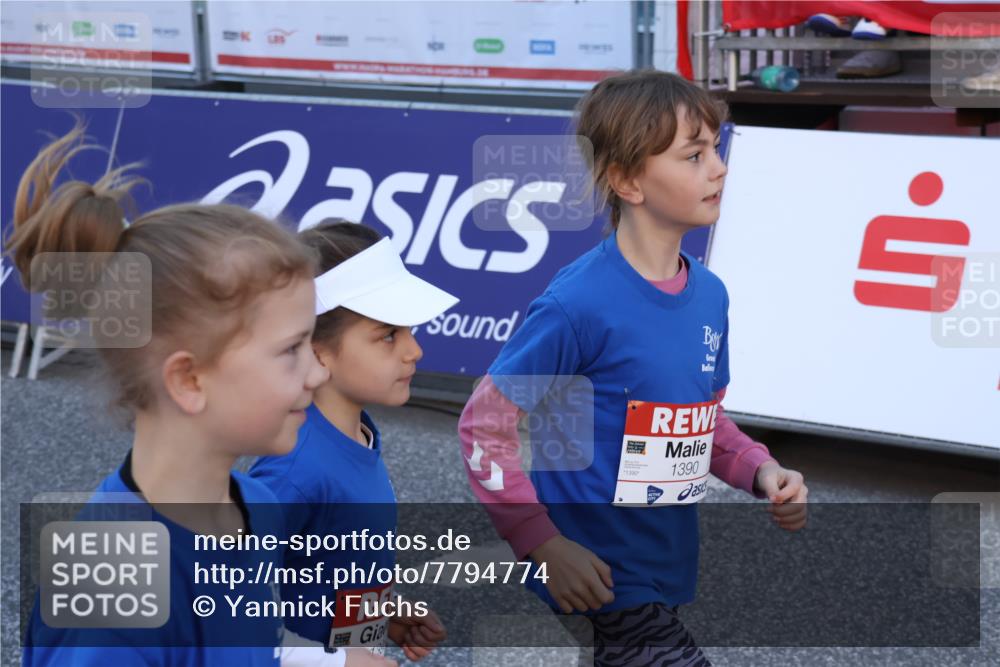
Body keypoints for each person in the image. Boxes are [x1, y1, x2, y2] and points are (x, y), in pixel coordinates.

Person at [458, 71, 809, 666]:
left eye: (716, 149)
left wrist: (761, 470)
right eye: (693, 155)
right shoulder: (580, 304)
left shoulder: (710, 295)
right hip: (599, 571)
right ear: (626, 181)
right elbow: (482, 426)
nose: (719, 168)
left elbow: (702, 421)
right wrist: (541, 544)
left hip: (662, 563)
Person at [12, 126, 394, 667]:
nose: (315, 374)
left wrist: (341, 652)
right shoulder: (114, 586)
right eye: (291, 349)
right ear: (188, 381)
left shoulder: (255, 509)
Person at [251, 221, 453, 661]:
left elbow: (323, 573)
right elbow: (218, 611)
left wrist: (378, 614)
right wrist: (334, 660)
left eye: (410, 330)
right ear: (317, 351)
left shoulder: (358, 434)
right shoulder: (292, 470)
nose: (413, 350)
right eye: (388, 335)